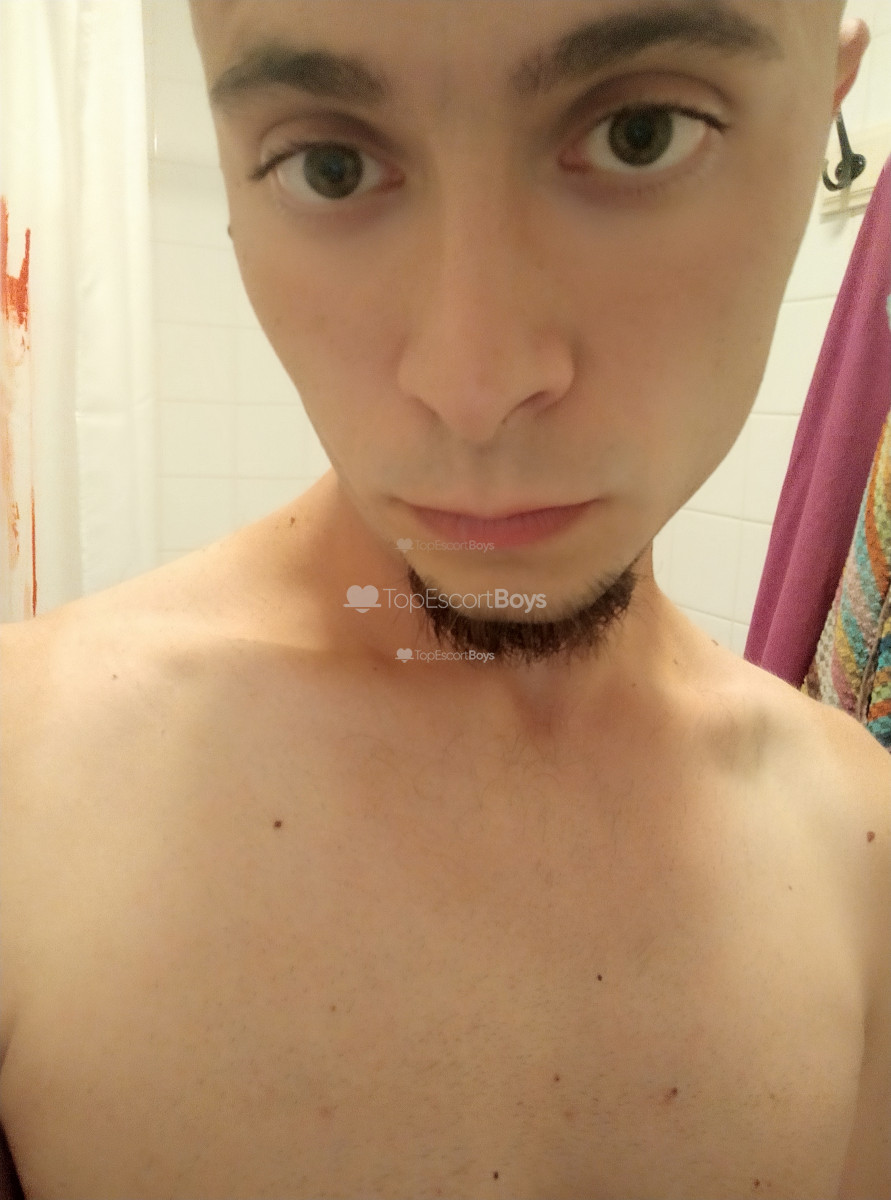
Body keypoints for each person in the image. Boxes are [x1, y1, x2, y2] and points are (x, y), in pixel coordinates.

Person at [0, 1, 888, 1196]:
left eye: (640, 132)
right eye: (330, 164)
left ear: (826, 111)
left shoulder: (863, 858)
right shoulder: (21, 795)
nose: (473, 387)